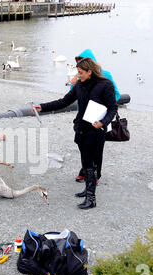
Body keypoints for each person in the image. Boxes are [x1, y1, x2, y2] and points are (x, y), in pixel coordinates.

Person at [33, 58, 117, 209]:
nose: (78, 76)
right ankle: (87, 189)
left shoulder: (105, 85)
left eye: (80, 73)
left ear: (90, 71)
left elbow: (112, 109)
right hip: (81, 129)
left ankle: (91, 198)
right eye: (77, 73)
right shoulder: (79, 85)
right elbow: (64, 101)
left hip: (96, 130)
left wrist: (103, 123)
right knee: (85, 161)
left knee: (90, 162)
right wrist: (43, 107)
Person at [69, 49, 120, 184]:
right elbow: (71, 96)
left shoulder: (106, 76)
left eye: (81, 61)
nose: (79, 65)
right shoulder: (80, 76)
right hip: (82, 118)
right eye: (78, 62)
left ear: (90, 64)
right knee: (84, 148)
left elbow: (116, 95)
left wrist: (101, 104)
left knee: (97, 150)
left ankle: (96, 175)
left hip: (99, 117)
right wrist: (73, 83)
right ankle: (85, 171)